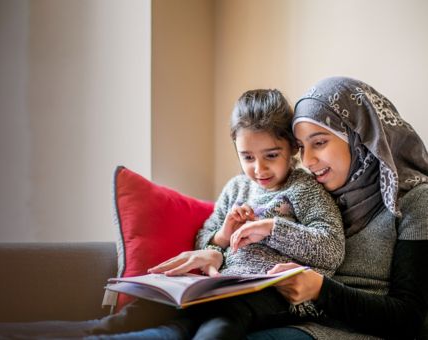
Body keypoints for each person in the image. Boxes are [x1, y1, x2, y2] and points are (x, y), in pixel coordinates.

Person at [86, 89, 345, 339]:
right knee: (150, 307)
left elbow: (332, 249)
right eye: (247, 157)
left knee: (224, 318)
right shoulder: (236, 188)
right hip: (225, 285)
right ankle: (90, 333)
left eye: (271, 155)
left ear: (291, 148)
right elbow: (204, 238)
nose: (259, 168)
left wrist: (271, 229)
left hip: (278, 292)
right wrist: (222, 235)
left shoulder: (304, 188)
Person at [248, 76, 428, 339]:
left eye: (319, 142)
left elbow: (410, 319)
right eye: (301, 147)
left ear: (360, 137)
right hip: (295, 320)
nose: (307, 161)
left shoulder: (416, 200)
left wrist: (321, 290)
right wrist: (217, 250)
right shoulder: (317, 193)